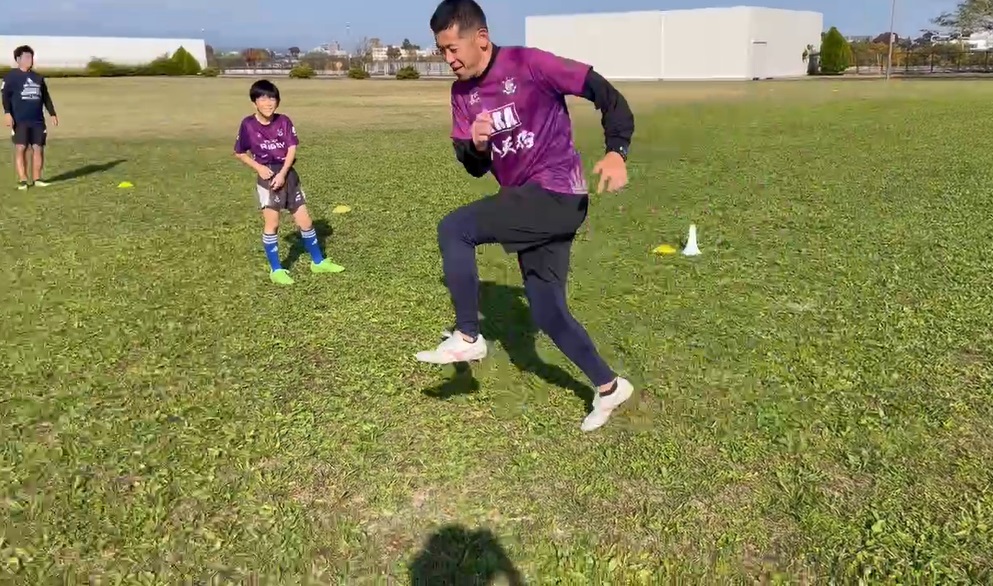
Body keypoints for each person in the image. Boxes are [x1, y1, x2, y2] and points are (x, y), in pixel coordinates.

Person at [416, 0, 637, 432]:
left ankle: (468, 336)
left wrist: (617, 150)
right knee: (547, 311)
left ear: (481, 39)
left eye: (453, 48)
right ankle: (610, 387)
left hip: (558, 193)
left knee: (455, 229)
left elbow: (605, 93)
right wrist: (477, 146)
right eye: (442, 51)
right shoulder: (461, 94)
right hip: (529, 202)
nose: (448, 59)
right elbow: (474, 167)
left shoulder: (529, 64)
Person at [233, 79, 344, 285]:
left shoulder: (284, 121)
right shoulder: (248, 124)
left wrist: (283, 173)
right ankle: (276, 270)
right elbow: (239, 152)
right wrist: (259, 168)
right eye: (263, 99)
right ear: (254, 102)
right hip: (267, 176)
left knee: (305, 221)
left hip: (288, 174)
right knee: (272, 224)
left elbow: (292, 148)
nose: (268, 103)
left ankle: (318, 262)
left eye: (272, 98)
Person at [1, 45, 58, 190]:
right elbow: (5, 97)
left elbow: (45, 97)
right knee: (21, 147)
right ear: (18, 59)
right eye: (26, 57)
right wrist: (7, 113)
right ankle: (23, 180)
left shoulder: (38, 78)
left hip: (37, 120)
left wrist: (52, 113)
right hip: (19, 120)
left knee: (38, 148)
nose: (30, 60)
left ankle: (37, 178)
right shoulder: (11, 77)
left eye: (31, 57)